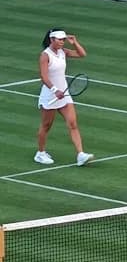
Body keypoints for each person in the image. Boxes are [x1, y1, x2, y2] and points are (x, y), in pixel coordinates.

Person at [35, 29, 93, 166]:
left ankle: (81, 154)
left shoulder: (63, 52)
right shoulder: (45, 55)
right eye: (59, 39)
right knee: (46, 125)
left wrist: (75, 42)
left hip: (64, 95)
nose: (62, 41)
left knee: (73, 123)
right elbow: (43, 76)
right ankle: (40, 153)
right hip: (50, 95)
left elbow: (82, 54)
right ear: (52, 40)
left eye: (63, 39)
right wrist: (55, 90)